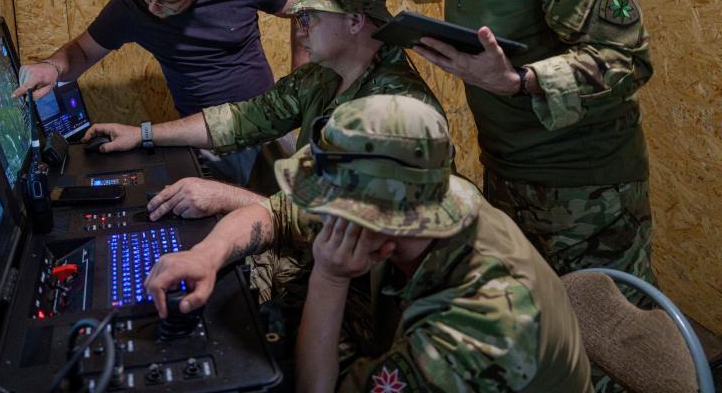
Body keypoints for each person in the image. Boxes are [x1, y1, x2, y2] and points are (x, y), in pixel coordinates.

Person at [367, 0, 655, 286]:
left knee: (606, 340)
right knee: (532, 329)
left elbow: (628, 60)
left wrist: (519, 82)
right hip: (506, 173)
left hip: (587, 190)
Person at [143, 95, 592, 392]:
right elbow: (273, 213)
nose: (321, 213)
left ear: (378, 219)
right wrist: (205, 254)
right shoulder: (430, 197)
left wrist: (329, 276)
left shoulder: (475, 327)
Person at [82, 0, 442, 215]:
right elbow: (241, 120)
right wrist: (143, 134)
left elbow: (329, 217)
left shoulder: (396, 109)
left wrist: (225, 197)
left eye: (309, 18)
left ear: (354, 21)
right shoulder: (321, 76)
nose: (300, 30)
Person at [13, 0, 303, 185]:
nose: (152, 8)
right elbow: (81, 52)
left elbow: (303, 6)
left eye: (167, 2)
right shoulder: (130, 7)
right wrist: (52, 67)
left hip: (267, 128)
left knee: (288, 223)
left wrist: (303, 75)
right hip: (204, 140)